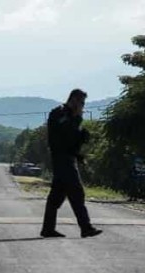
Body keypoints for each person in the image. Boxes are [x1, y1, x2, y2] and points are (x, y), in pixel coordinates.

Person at [40, 89, 102, 238]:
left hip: (68, 158)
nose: (82, 106)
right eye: (81, 103)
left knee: (56, 197)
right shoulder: (59, 114)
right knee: (77, 192)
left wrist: (81, 139)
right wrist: (75, 121)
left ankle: (48, 229)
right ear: (74, 100)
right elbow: (62, 137)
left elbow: (72, 142)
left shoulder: (73, 117)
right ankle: (85, 227)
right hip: (62, 159)